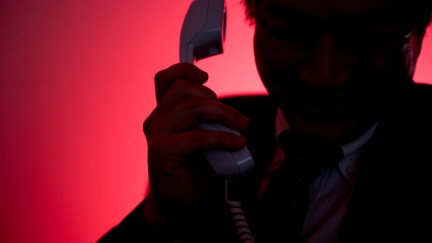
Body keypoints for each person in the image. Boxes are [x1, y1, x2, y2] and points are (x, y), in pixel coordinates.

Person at [98, 0, 432, 242]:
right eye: (289, 31)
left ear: (418, 34)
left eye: (368, 36)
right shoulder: (211, 137)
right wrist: (160, 220)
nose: (322, 75)